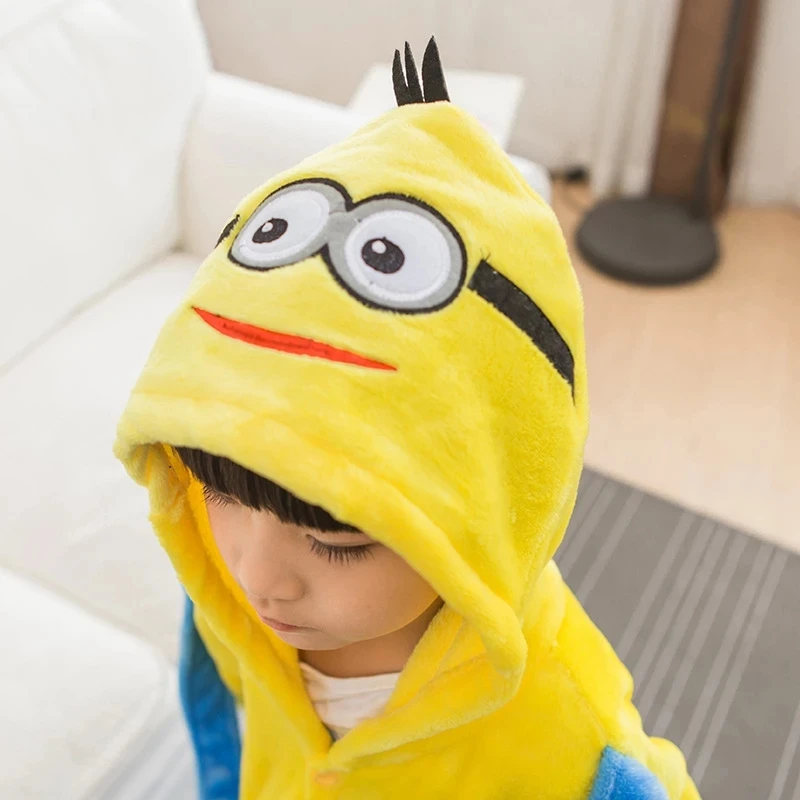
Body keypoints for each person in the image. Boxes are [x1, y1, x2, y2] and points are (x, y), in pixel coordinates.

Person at [115, 38, 700, 800]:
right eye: (221, 493)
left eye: (334, 542)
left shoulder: (570, 736)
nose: (258, 578)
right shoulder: (229, 606)